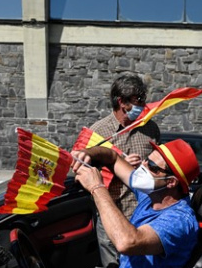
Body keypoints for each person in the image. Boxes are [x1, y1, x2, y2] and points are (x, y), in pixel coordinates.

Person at [73, 73, 160, 267]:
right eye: (138, 101)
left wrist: (146, 167)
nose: (143, 105)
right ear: (122, 102)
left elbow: (160, 167)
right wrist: (119, 165)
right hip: (111, 214)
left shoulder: (150, 129)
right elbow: (80, 171)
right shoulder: (98, 132)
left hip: (144, 213)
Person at [73, 139, 200, 267]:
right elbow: (113, 158)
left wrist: (96, 187)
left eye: (151, 165)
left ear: (171, 182)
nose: (143, 165)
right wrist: (88, 153)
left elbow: (126, 242)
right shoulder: (152, 196)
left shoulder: (178, 220)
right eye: (146, 159)